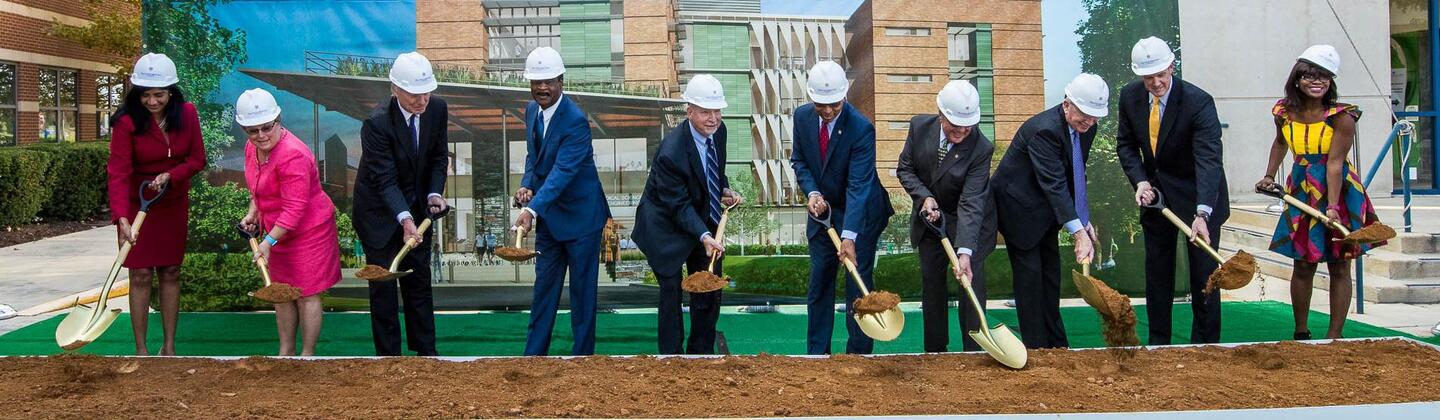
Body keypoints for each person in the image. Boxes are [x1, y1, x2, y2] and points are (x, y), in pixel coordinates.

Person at [1257, 44, 1386, 340]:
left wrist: (1332, 208)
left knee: (1340, 263)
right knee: (1302, 263)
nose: (1317, 82)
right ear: (1297, 79)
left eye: (1324, 77)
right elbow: (1280, 143)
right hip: (1301, 187)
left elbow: (1335, 165)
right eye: (1310, 76)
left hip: (1337, 190)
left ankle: (1334, 337)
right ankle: (1301, 332)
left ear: (1331, 82)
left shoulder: (1341, 117)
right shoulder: (1283, 112)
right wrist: (1267, 175)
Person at [1116, 37, 1229, 345]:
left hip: (1198, 198)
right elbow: (1125, 145)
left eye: (1160, 75)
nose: (1155, 82)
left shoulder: (1198, 101)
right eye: (1148, 77)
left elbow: (1208, 161)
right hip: (1156, 199)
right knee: (1158, 273)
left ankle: (1205, 346)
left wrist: (1202, 212)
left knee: (1204, 276)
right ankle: (1158, 343)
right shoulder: (1129, 97)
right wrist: (1140, 181)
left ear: (1171, 66)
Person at [992, 73, 1109, 349]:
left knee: (1050, 277)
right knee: (1030, 280)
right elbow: (1054, 183)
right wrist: (1078, 232)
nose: (1090, 122)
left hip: (1046, 211)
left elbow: (1075, 173)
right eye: (1085, 115)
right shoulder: (1043, 130)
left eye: (1095, 117)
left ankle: (1057, 346)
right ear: (1067, 104)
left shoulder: (1086, 127)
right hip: (1018, 211)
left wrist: (1082, 219)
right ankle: (1036, 350)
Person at [632, 74, 743, 355]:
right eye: (706, 112)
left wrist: (724, 189)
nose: (713, 118)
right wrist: (704, 235)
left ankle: (701, 354)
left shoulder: (720, 132)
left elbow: (711, 171)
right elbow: (678, 204)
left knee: (708, 284)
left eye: (717, 111)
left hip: (698, 215)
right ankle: (671, 357)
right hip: (664, 224)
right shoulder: (671, 151)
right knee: (671, 291)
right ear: (689, 111)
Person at [511, 46, 611, 356]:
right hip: (551, 220)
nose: (542, 88)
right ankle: (533, 359)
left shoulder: (576, 121)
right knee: (543, 292)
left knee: (582, 297)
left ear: (561, 81)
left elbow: (562, 173)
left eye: (548, 81)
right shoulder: (531, 111)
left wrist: (531, 208)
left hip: (582, 220)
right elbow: (535, 158)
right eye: (536, 82)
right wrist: (527, 185)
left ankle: (582, 360)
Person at [106, 53, 207, 356]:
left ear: (171, 92)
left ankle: (169, 347)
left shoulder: (187, 114)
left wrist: (170, 175)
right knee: (139, 274)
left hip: (171, 204)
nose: (152, 101)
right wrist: (121, 217)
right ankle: (141, 350)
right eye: (145, 95)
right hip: (137, 206)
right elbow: (118, 171)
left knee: (171, 270)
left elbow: (197, 159)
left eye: (158, 94)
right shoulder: (126, 122)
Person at [791, 60, 894, 355]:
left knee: (856, 283)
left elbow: (858, 186)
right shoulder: (801, 118)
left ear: (844, 96)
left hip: (860, 213)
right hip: (822, 212)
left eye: (833, 104)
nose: (827, 111)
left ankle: (859, 355)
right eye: (820, 104)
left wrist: (849, 236)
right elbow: (799, 160)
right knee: (820, 280)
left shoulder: (861, 128)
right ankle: (817, 354)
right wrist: (812, 192)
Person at [352, 52, 450, 356]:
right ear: (395, 89)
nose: (422, 100)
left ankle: (426, 356)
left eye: (427, 92)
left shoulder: (437, 108)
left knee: (419, 283)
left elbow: (437, 156)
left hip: (419, 210)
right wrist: (405, 220)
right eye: (414, 94)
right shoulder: (376, 123)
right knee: (382, 288)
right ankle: (389, 359)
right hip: (379, 215)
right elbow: (385, 180)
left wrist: (434, 193)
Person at [236, 88, 341, 356]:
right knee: (281, 293)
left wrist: (268, 241)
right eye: (252, 130)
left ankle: (307, 355)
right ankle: (285, 352)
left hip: (310, 230)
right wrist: (253, 214)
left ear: (278, 120)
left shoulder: (294, 154)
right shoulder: (252, 148)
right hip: (276, 229)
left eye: (266, 127)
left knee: (307, 294)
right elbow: (257, 188)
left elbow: (295, 207)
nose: (260, 135)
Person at [894, 80, 997, 353]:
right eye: (955, 124)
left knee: (970, 284)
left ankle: (974, 349)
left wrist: (965, 252)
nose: (962, 130)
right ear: (941, 114)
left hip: (969, 223)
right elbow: (905, 169)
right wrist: (924, 197)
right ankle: (936, 352)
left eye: (968, 125)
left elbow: (971, 201)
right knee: (932, 285)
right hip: (931, 221)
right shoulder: (919, 127)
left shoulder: (981, 148)